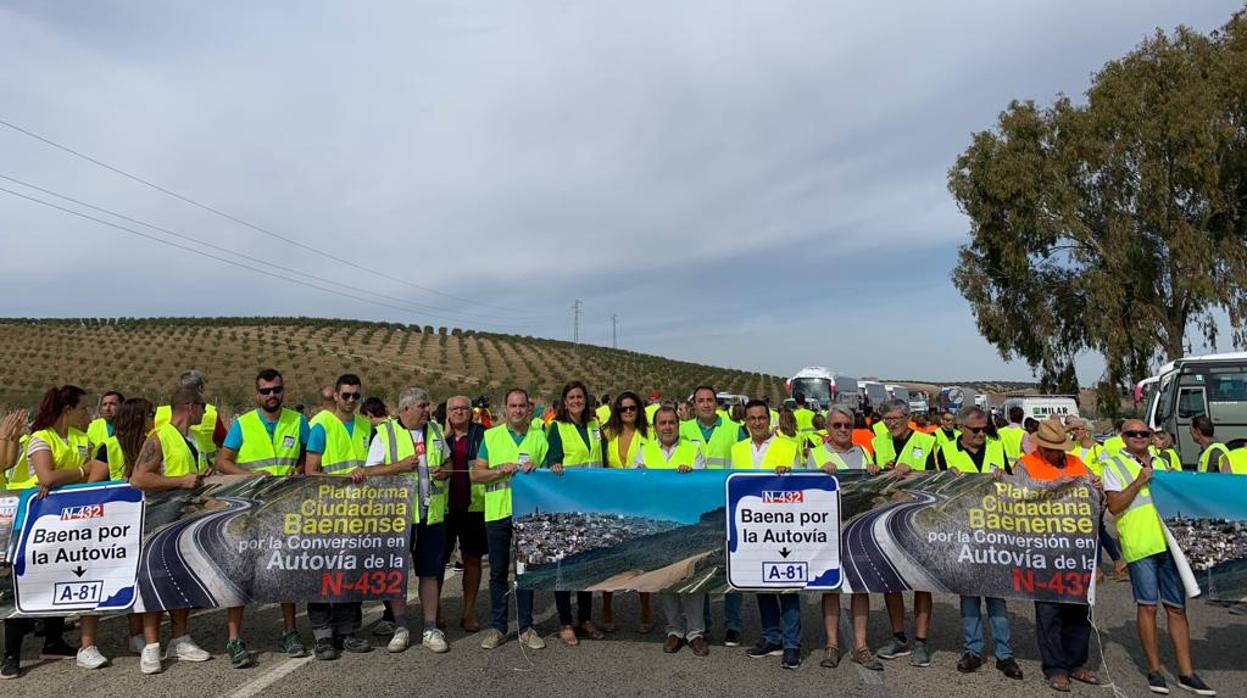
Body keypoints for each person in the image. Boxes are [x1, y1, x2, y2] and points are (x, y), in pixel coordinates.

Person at [2, 386, 109, 679]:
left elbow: (91, 472)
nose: (88, 414)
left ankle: (53, 641)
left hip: (66, 521)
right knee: (22, 583)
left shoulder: (80, 437)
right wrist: (79, 471)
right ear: (67, 411)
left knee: (58, 578)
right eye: (83, 408)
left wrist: (75, 474)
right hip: (32, 521)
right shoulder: (40, 437)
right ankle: (11, 654)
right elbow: (46, 475)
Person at [1103, 420, 1217, 696]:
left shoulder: (1164, 462)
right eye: (1133, 433)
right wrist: (1139, 481)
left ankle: (1186, 672)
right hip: (1141, 544)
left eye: (1145, 433)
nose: (1139, 437)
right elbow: (1115, 505)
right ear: (1123, 437)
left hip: (1170, 544)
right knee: (1148, 607)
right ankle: (1154, 670)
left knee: (1177, 608)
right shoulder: (1113, 464)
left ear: (1152, 436)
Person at [215, 368, 310, 667]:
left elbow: (309, 455)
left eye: (277, 390)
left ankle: (290, 631)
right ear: (257, 394)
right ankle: (234, 639)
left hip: (284, 507)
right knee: (241, 572)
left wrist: (300, 468)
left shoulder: (299, 421)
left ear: (284, 391)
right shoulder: (243, 424)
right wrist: (252, 476)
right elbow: (223, 461)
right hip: (249, 509)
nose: (272, 395)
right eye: (266, 391)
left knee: (285, 570)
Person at [360, 387, 451, 654]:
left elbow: (446, 461)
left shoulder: (434, 430)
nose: (427, 410)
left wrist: (443, 471)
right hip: (397, 517)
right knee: (395, 572)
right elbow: (370, 471)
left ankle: (430, 627)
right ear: (406, 409)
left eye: (428, 405)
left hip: (431, 514)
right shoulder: (385, 433)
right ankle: (400, 626)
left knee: (430, 572)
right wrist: (398, 466)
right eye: (422, 406)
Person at [935, 407, 1023, 681]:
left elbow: (1014, 485)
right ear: (961, 428)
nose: (981, 434)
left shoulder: (997, 449)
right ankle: (972, 650)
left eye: (985, 428)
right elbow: (930, 491)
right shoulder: (944, 452)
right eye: (975, 430)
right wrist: (945, 479)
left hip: (994, 532)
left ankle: (1004, 654)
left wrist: (1005, 478)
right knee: (969, 596)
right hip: (962, 532)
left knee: (996, 596)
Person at [129, 386, 212, 674]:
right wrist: (180, 481)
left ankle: (180, 638)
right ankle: (151, 646)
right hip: (159, 520)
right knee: (156, 580)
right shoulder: (160, 436)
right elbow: (139, 478)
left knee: (183, 580)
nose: (205, 411)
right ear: (189, 406)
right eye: (202, 406)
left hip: (188, 519)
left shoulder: (197, 438)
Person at [1015, 418, 1101, 692]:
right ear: (1041, 446)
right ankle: (1055, 667)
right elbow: (1014, 506)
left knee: (1078, 608)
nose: (1057, 453)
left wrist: (1096, 491)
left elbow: (1096, 504)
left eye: (1060, 447)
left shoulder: (1077, 463)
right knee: (1049, 610)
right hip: (1043, 549)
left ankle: (1075, 663)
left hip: (1076, 549)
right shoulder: (1025, 465)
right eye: (1051, 448)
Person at [303, 374, 375, 660]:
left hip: (358, 511)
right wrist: (343, 477)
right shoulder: (320, 424)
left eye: (356, 396)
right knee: (323, 573)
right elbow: (310, 471)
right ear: (335, 395)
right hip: (325, 511)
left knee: (350, 571)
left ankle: (347, 631)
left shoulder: (364, 426)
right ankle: (322, 635)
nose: (351, 401)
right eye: (346, 395)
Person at [472, 388, 549, 651]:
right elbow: (476, 474)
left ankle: (526, 627)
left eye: (522, 406)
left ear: (529, 408)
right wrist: (497, 471)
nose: (517, 410)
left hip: (528, 515)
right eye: (512, 405)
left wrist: (537, 471)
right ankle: (498, 627)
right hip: (497, 513)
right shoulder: (491, 436)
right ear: (505, 408)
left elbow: (550, 475)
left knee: (525, 572)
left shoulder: (539, 437)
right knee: (497, 574)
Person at [731, 400, 803, 669]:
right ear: (746, 421)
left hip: (783, 526)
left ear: (769, 420)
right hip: (752, 526)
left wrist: (790, 475)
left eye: (761, 418)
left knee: (786, 584)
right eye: (752, 418)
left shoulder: (788, 447)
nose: (757, 423)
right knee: (761, 583)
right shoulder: (737, 449)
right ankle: (772, 636)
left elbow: (802, 485)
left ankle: (793, 643)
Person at [809, 406, 881, 672]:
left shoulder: (863, 453)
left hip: (858, 528)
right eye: (836, 425)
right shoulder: (815, 455)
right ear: (827, 429)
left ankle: (860, 646)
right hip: (826, 530)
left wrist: (874, 471)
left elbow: (874, 492)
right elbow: (802, 492)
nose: (842, 429)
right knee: (831, 587)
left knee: (859, 588)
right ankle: (832, 644)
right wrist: (818, 473)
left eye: (846, 425)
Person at [636, 406, 708, 656]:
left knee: (693, 579)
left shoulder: (692, 450)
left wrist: (690, 476)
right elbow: (636, 487)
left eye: (671, 423)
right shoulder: (644, 452)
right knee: (667, 580)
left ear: (679, 425)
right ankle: (674, 631)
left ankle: (696, 632)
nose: (667, 427)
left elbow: (701, 487)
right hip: (659, 526)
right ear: (654, 427)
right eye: (662, 423)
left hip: (688, 524)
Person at [871, 398, 938, 668]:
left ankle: (921, 642)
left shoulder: (928, 442)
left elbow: (940, 477)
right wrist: (875, 470)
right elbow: (873, 481)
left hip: (919, 520)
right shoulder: (878, 443)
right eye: (887, 419)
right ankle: (898, 637)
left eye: (896, 418)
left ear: (907, 417)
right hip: (887, 520)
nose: (891, 423)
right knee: (891, 582)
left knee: (921, 582)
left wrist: (916, 473)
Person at [680, 385, 746, 646]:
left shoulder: (733, 429)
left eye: (710, 400)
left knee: (731, 565)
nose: (706, 404)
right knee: (701, 564)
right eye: (701, 401)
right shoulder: (684, 430)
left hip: (728, 504)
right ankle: (703, 622)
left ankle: (733, 624)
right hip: (697, 509)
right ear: (693, 404)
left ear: (717, 403)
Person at [545, 381, 608, 645]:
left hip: (592, 505)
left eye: (580, 396)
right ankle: (565, 621)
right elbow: (553, 460)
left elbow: (603, 462)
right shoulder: (557, 427)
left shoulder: (595, 427)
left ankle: (585, 618)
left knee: (587, 565)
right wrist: (555, 466)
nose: (576, 401)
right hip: (567, 505)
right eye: (571, 397)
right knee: (565, 566)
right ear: (564, 401)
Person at [601, 390, 652, 633]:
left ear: (639, 410)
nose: (628, 412)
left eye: (632, 408)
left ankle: (645, 607)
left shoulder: (649, 435)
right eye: (623, 408)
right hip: (611, 503)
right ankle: (607, 606)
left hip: (640, 503)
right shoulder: (606, 435)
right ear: (617, 411)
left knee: (641, 558)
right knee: (610, 558)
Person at [438, 395, 487, 632]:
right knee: (438, 561)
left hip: (473, 507)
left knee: (472, 559)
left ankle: (469, 612)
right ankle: (434, 610)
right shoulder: (435, 435)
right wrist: (445, 436)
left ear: (471, 411)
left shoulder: (483, 434)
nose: (459, 412)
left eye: (464, 408)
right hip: (443, 508)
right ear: (447, 412)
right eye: (454, 408)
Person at [1065, 416, 1126, 581]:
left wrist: (1105, 493)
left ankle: (1097, 567)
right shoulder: (1073, 449)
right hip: (1078, 495)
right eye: (1075, 430)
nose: (1077, 432)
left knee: (1095, 529)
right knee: (1098, 529)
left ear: (1089, 431)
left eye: (1081, 429)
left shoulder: (1099, 450)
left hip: (1097, 495)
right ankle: (1118, 561)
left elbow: (1107, 472)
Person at [154, 370, 225, 467]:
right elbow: (225, 444)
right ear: (200, 388)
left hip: (201, 473)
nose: (204, 412)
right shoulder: (211, 414)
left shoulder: (158, 414)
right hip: (197, 476)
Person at [96, 397, 153, 482]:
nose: (154, 419)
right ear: (138, 418)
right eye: (151, 415)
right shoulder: (108, 447)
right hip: (117, 494)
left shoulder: (152, 443)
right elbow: (93, 487)